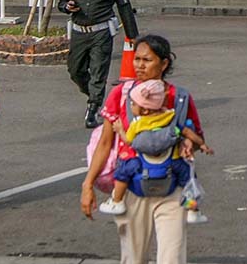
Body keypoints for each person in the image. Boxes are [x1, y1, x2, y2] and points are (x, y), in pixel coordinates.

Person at [81, 35, 208, 264]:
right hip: (131, 187)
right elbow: (105, 143)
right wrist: (87, 184)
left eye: (147, 60)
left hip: (172, 188)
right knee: (134, 258)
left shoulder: (179, 98)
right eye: (137, 59)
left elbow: (198, 138)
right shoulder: (121, 95)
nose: (139, 65)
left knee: (172, 258)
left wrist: (190, 144)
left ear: (164, 63)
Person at [97, 78, 213, 224]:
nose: (131, 106)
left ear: (144, 109)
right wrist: (201, 144)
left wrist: (120, 130)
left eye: (133, 103)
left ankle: (117, 201)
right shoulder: (170, 117)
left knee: (122, 173)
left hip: (141, 162)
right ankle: (192, 211)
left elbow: (129, 141)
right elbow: (185, 131)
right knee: (188, 180)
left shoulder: (138, 124)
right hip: (172, 160)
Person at [59, 0, 140, 129]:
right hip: (79, 32)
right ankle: (93, 94)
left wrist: (132, 36)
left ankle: (93, 108)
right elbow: (61, 3)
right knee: (75, 70)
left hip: (101, 33)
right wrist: (67, 7)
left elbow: (124, 9)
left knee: (98, 71)